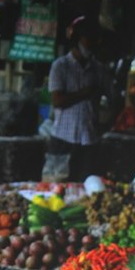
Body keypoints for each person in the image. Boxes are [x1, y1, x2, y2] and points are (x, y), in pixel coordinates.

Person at [47, 17, 110, 182]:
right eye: (88, 39)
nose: (92, 44)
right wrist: (84, 93)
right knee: (58, 186)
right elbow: (57, 101)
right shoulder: (60, 66)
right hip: (63, 138)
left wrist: (105, 123)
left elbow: (112, 97)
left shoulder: (99, 69)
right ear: (77, 40)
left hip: (89, 139)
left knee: (87, 188)